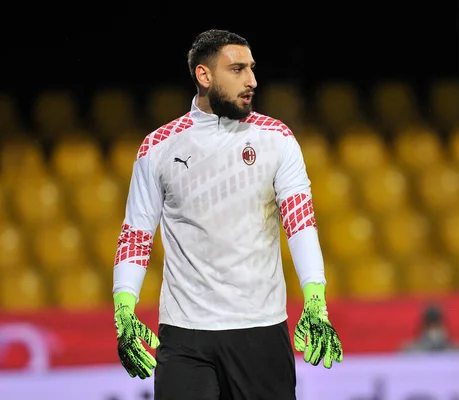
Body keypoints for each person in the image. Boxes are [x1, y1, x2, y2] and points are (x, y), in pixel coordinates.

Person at [111, 29, 343, 399]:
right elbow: (136, 234)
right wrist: (124, 306)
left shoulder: (277, 139)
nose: (252, 80)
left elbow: (300, 223)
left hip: (261, 331)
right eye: (237, 69)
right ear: (204, 76)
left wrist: (315, 296)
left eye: (251, 69)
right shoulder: (157, 147)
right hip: (185, 335)